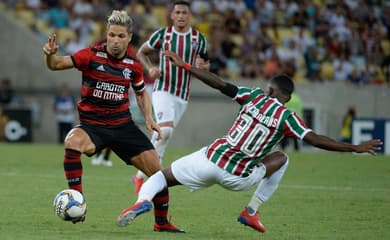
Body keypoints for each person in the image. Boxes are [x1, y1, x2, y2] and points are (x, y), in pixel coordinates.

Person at [115, 50, 382, 233]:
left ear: (269, 90)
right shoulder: (288, 116)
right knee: (282, 158)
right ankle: (251, 210)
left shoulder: (254, 96)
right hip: (239, 178)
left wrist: (186, 66)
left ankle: (143, 201)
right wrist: (353, 147)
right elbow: (315, 139)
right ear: (288, 98)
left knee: (161, 178)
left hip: (211, 158)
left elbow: (219, 84)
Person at [43, 10, 184, 232]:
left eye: (120, 36)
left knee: (158, 174)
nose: (115, 41)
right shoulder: (90, 55)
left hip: (122, 126)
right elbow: (57, 65)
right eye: (111, 35)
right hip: (92, 126)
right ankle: (78, 198)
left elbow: (140, 93)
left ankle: (162, 223)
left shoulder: (133, 65)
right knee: (72, 141)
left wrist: (149, 118)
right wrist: (50, 56)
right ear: (106, 35)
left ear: (129, 38)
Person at [132, 0, 210, 194]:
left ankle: (142, 176)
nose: (181, 16)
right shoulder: (163, 35)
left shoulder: (198, 39)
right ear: (172, 15)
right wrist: (150, 67)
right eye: (178, 12)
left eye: (185, 12)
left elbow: (205, 63)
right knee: (165, 132)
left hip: (183, 95)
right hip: (163, 89)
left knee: (164, 135)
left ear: (189, 16)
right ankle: (151, 174)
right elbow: (142, 52)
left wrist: (204, 67)